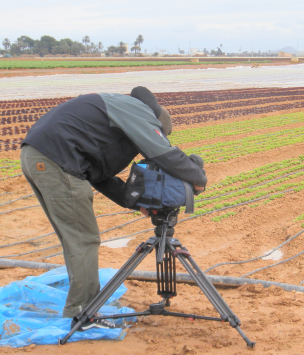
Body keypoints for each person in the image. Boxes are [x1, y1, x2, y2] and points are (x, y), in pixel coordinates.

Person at [20, 87, 207, 330]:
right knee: (83, 239)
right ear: (156, 123)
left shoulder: (116, 109)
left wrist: (135, 202)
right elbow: (162, 153)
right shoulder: (140, 113)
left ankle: (81, 307)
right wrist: (197, 178)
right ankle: (84, 313)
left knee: (74, 238)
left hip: (37, 156)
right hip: (57, 161)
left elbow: (98, 176)